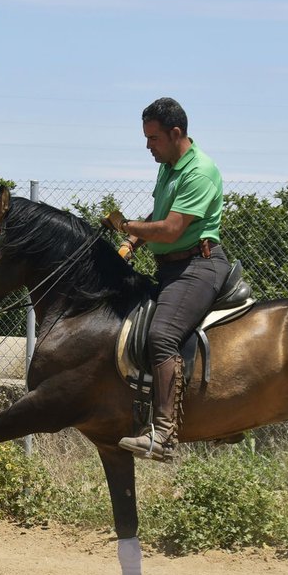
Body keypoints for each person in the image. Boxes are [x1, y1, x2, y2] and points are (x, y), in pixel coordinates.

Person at [103, 96, 229, 462]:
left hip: (199, 266)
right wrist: (130, 242)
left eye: (153, 138)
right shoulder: (169, 167)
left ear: (176, 133)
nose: (148, 146)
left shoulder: (200, 171)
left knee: (162, 335)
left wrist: (124, 225)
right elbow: (159, 215)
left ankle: (164, 435)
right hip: (172, 268)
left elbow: (172, 229)